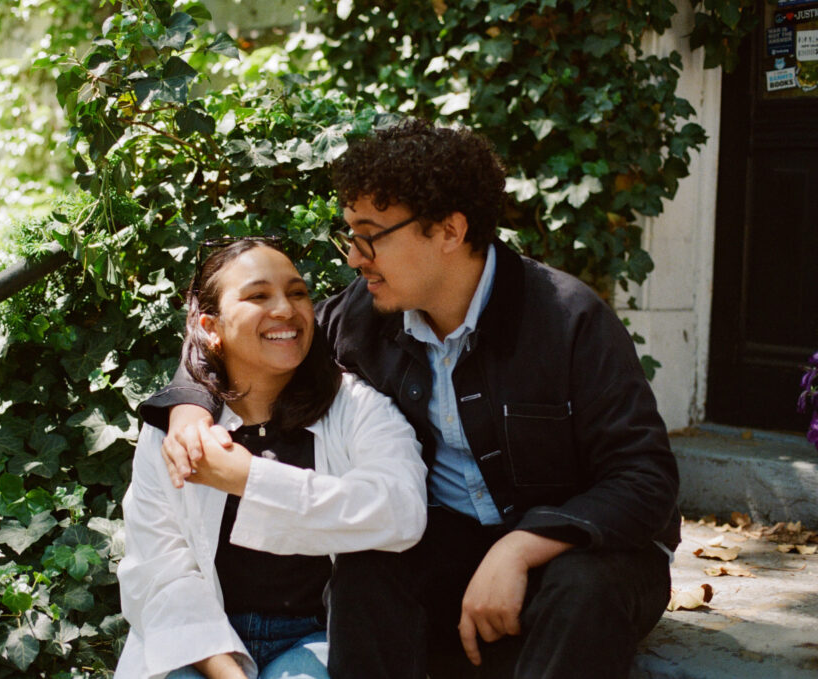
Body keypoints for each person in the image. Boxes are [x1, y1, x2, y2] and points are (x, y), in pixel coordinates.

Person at [140, 119, 681, 679]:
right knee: (367, 569)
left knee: (582, 588)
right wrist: (190, 403)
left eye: (370, 235)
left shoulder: (568, 319)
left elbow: (645, 479)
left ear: (448, 231)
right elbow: (255, 337)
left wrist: (521, 546)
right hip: (448, 547)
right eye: (349, 235)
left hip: (582, 550)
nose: (354, 257)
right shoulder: (364, 315)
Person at [115, 238, 427, 679]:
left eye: (297, 292)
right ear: (211, 326)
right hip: (201, 640)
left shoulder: (358, 408)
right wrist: (226, 672)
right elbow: (159, 567)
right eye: (258, 296)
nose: (285, 308)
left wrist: (249, 479)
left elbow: (401, 509)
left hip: (319, 637)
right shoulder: (178, 430)